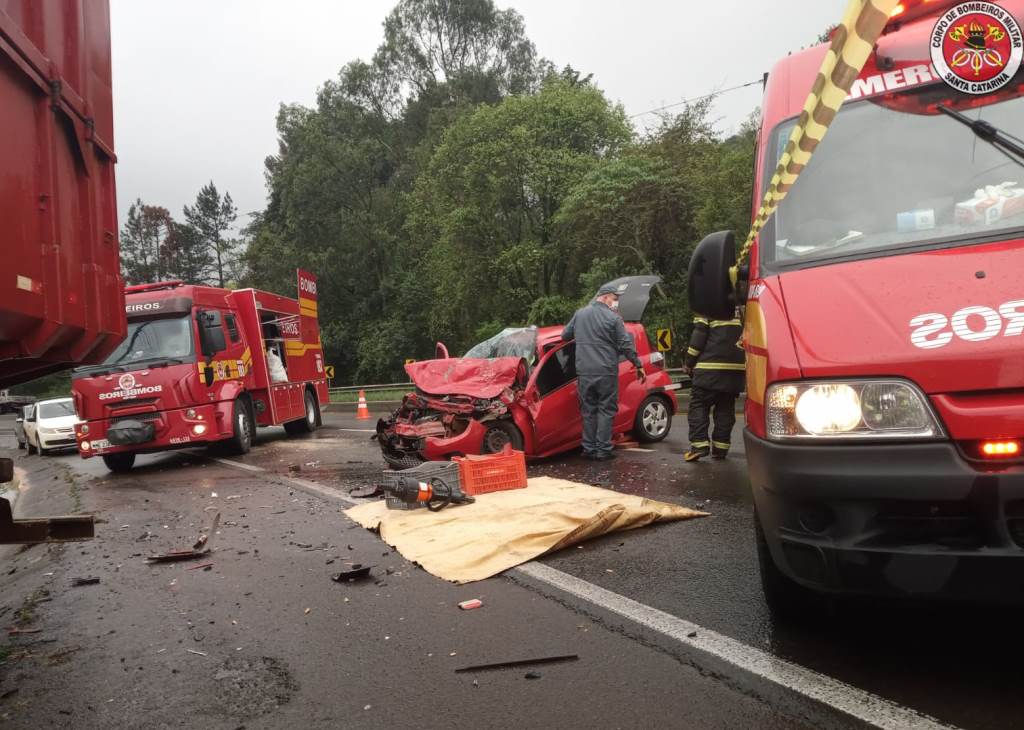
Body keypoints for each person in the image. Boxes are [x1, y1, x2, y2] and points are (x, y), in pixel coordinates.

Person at [562, 283, 646, 461]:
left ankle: (589, 449)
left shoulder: (580, 314)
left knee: (588, 411)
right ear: (605, 296)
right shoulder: (614, 318)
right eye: (614, 299)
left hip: (584, 372)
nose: (615, 303)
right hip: (606, 372)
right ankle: (603, 450)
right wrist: (638, 364)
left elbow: (564, 336)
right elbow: (625, 344)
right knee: (606, 410)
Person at [683, 310, 745, 461]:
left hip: (709, 369)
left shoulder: (709, 307)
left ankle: (699, 446)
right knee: (725, 408)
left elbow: (698, 340)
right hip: (735, 371)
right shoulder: (745, 309)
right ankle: (720, 449)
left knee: (699, 405)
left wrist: (688, 363)